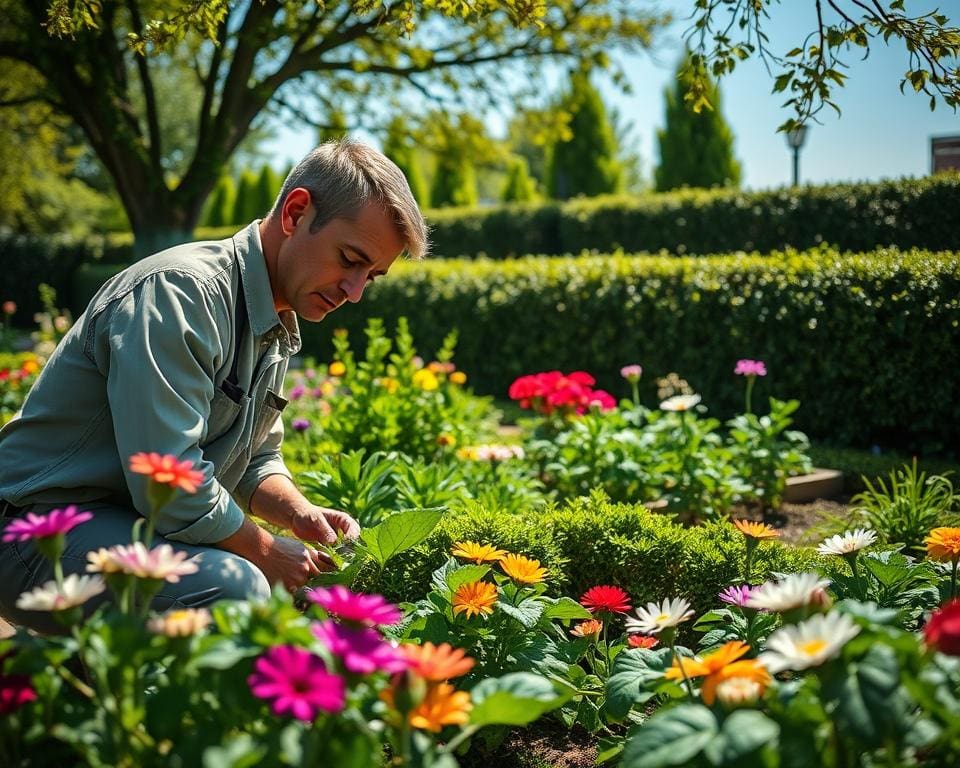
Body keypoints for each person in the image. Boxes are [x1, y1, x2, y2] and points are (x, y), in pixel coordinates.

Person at [0, 139, 428, 633]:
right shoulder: (182, 294)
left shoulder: (272, 318)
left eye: (371, 277)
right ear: (295, 213)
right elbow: (168, 477)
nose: (354, 292)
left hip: (123, 525)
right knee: (236, 587)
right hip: (36, 530)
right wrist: (265, 550)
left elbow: (255, 457)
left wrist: (298, 513)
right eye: (350, 259)